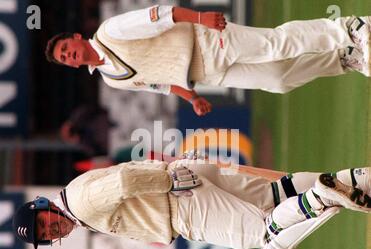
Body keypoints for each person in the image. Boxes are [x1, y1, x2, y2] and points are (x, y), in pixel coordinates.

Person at [12, 157, 371, 249]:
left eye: (44, 224)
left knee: (263, 234)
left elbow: (123, 180)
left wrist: (169, 183)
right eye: (46, 236)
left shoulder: (81, 204)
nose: (51, 231)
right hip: (182, 179)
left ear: (43, 207)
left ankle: (320, 198)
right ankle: (360, 180)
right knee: (276, 194)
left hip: (181, 202)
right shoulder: (74, 196)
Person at [45, 5, 371, 116]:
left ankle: (350, 28)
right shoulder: (111, 79)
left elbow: (159, 15)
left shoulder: (110, 31)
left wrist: (200, 18)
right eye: (64, 59)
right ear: (71, 65)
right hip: (207, 72)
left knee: (275, 44)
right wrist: (193, 97)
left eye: (66, 48)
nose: (69, 55)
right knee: (278, 80)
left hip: (203, 39)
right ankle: (345, 58)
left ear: (75, 38)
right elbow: (160, 84)